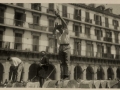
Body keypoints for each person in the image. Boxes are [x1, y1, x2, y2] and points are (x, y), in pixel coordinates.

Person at [53, 11, 71, 79]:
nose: (59, 29)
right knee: (61, 63)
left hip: (67, 47)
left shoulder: (66, 31)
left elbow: (65, 24)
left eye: (60, 28)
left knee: (67, 62)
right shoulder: (57, 34)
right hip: (60, 47)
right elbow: (52, 32)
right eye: (58, 28)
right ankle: (62, 75)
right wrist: (55, 27)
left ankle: (67, 76)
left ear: (62, 28)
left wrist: (60, 16)